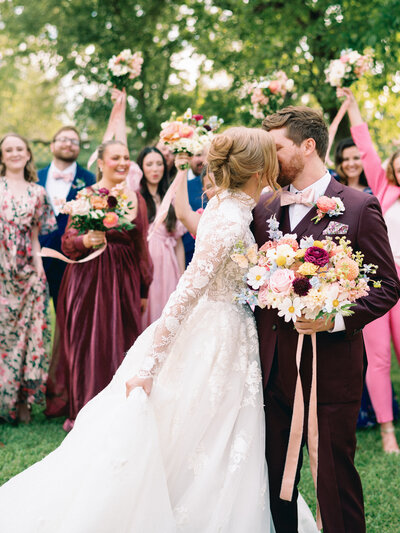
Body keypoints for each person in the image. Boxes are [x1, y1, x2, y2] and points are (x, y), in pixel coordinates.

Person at [0, 126, 318, 533]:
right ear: (260, 167)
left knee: (221, 437)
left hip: (235, 332)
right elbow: (187, 290)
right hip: (215, 336)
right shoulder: (228, 215)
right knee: (201, 433)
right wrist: (150, 363)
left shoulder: (231, 206)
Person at [253, 106, 400, 533]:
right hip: (272, 367)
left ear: (308, 145)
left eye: (276, 149)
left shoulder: (357, 206)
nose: (269, 159)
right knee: (274, 476)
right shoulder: (263, 209)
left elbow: (387, 286)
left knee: (335, 477)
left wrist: (333, 319)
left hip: (331, 367)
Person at [45, 140, 153, 431]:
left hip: (124, 279)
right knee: (87, 342)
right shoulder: (86, 195)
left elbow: (141, 245)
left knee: (122, 342)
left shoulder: (137, 199)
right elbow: (68, 242)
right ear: (101, 163)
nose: (122, 162)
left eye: (127, 157)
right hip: (88, 278)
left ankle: (118, 407)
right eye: (115, 157)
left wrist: (144, 287)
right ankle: (85, 408)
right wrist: (85, 240)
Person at [338, 86, 400, 453]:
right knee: (377, 358)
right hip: (380, 281)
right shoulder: (382, 187)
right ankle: (387, 430)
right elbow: (364, 147)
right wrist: (354, 107)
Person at [0, 133, 56, 424]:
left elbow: (35, 237)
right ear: (1, 156)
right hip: (1, 273)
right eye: (8, 149)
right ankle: (3, 399)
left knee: (29, 336)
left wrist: (40, 269)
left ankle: (22, 401)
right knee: (2, 337)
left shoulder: (38, 192)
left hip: (27, 273)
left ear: (28, 154)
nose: (14, 153)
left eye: (19, 148)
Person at [38, 126, 95, 308]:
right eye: (63, 139)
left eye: (74, 141)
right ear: (52, 146)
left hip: (72, 262)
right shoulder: (34, 178)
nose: (68, 144)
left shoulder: (90, 180)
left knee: (69, 320)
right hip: (37, 259)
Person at [137, 146, 186, 328]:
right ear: (141, 168)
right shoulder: (137, 197)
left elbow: (178, 241)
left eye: (159, 164)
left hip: (168, 264)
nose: (155, 169)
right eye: (149, 164)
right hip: (145, 263)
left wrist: (181, 275)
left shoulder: (171, 197)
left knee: (167, 313)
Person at [174, 159, 215, 236]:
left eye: (220, 183)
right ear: (204, 190)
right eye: (209, 186)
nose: (215, 189)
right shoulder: (204, 218)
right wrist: (182, 171)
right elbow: (183, 214)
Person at [182, 146, 208, 265]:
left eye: (206, 155)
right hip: (188, 255)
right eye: (198, 155)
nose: (202, 160)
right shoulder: (184, 186)